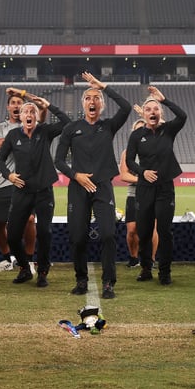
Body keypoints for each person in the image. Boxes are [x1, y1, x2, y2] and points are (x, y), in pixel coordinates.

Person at [55, 72, 132, 300]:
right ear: (83, 104)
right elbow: (58, 160)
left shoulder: (108, 126)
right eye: (88, 97)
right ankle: (81, 280)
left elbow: (126, 107)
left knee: (108, 234)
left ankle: (108, 283)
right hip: (78, 187)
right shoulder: (71, 128)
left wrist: (102, 86)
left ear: (102, 105)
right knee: (78, 237)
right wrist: (76, 175)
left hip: (102, 187)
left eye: (96, 98)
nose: (92, 101)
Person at [0, 94, 70, 288]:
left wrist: (49, 105)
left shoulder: (45, 132)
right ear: (20, 117)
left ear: (37, 116)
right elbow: (0, 160)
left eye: (32, 111)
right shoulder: (12, 136)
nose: (28, 114)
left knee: (45, 232)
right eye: (25, 112)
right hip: (21, 190)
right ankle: (24, 268)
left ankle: (43, 271)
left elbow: (67, 122)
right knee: (12, 235)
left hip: (44, 191)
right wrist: (9, 175)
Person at [125, 86, 187, 285]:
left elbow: (183, 115)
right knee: (144, 230)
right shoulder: (136, 136)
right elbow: (130, 162)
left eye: (156, 109)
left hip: (165, 188)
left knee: (164, 230)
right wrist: (143, 172)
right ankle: (145, 268)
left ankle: (165, 272)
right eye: (149, 109)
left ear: (160, 113)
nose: (152, 112)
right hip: (144, 189)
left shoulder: (168, 130)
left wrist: (164, 99)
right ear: (143, 114)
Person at [0, 88, 37, 272]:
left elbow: (40, 107)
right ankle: (7, 258)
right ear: (8, 107)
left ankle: (30, 260)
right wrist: (16, 136)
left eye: (20, 103)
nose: (16, 106)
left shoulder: (30, 123)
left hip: (26, 183)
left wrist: (24, 94)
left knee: (30, 220)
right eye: (13, 103)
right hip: (4, 180)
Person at [119, 119, 158, 268]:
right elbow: (123, 175)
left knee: (152, 228)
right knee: (132, 230)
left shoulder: (156, 149)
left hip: (151, 194)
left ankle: (151, 260)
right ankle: (134, 257)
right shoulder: (127, 152)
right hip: (133, 194)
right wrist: (142, 179)